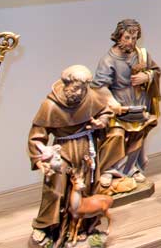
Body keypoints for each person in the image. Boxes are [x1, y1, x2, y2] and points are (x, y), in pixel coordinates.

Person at [27, 65, 115, 248]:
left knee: (86, 188)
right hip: (63, 151)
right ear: (66, 84)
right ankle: (45, 228)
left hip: (86, 149)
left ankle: (82, 228)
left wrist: (101, 122)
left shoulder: (90, 97)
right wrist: (39, 160)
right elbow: (37, 136)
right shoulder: (50, 106)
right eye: (76, 88)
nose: (80, 92)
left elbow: (105, 112)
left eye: (84, 88)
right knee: (55, 189)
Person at [93, 19, 161, 190]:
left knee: (137, 137)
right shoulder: (108, 60)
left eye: (134, 38)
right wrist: (112, 102)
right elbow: (99, 86)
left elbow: (156, 71)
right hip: (119, 109)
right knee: (115, 136)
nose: (131, 42)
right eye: (127, 38)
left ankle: (131, 169)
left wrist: (147, 76)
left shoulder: (141, 55)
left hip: (139, 105)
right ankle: (108, 170)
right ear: (118, 37)